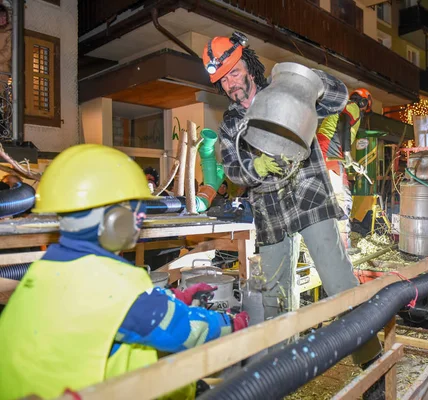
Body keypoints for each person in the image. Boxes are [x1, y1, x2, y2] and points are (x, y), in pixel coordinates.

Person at [202, 31, 383, 392]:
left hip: (309, 197)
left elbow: (337, 98)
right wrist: (257, 170)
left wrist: (307, 80)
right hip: (269, 212)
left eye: (234, 73)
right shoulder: (230, 123)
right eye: (222, 81)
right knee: (275, 299)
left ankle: (373, 366)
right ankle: (279, 377)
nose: (230, 85)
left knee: (339, 284)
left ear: (249, 65)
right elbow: (233, 169)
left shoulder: (285, 93)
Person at [0, 144, 248, 399]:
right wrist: (231, 324)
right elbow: (182, 329)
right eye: (137, 212)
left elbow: (105, 312)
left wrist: (175, 299)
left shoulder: (42, 272)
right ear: (115, 221)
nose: (140, 222)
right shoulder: (109, 283)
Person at [317, 88, 372, 248]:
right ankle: (343, 248)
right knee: (343, 199)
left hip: (325, 151)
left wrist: (349, 159)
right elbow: (344, 124)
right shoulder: (352, 107)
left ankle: (325, 244)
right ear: (364, 102)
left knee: (327, 201)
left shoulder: (340, 106)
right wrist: (347, 154)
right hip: (330, 153)